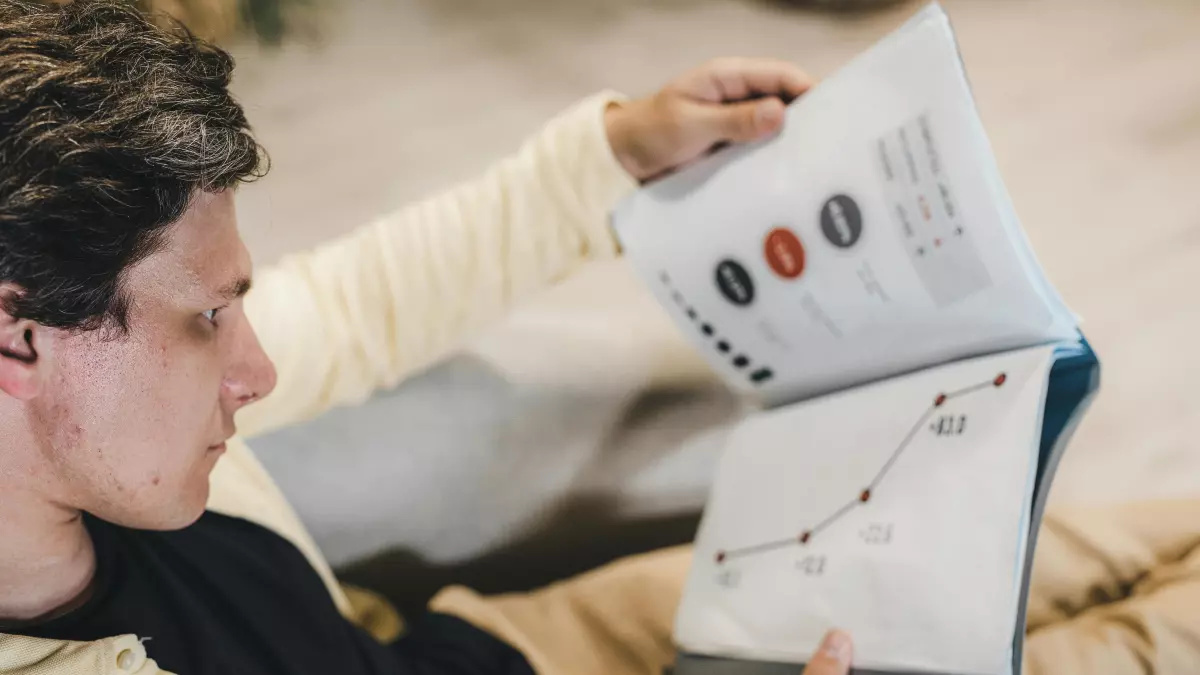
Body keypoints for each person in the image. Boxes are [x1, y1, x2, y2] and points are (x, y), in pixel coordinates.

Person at [0, 2, 1197, 675]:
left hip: (485, 656)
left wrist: (616, 152)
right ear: (17, 335)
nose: (256, 372)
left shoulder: (115, 437)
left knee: (1155, 541)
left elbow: (371, 297)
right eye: (211, 320)